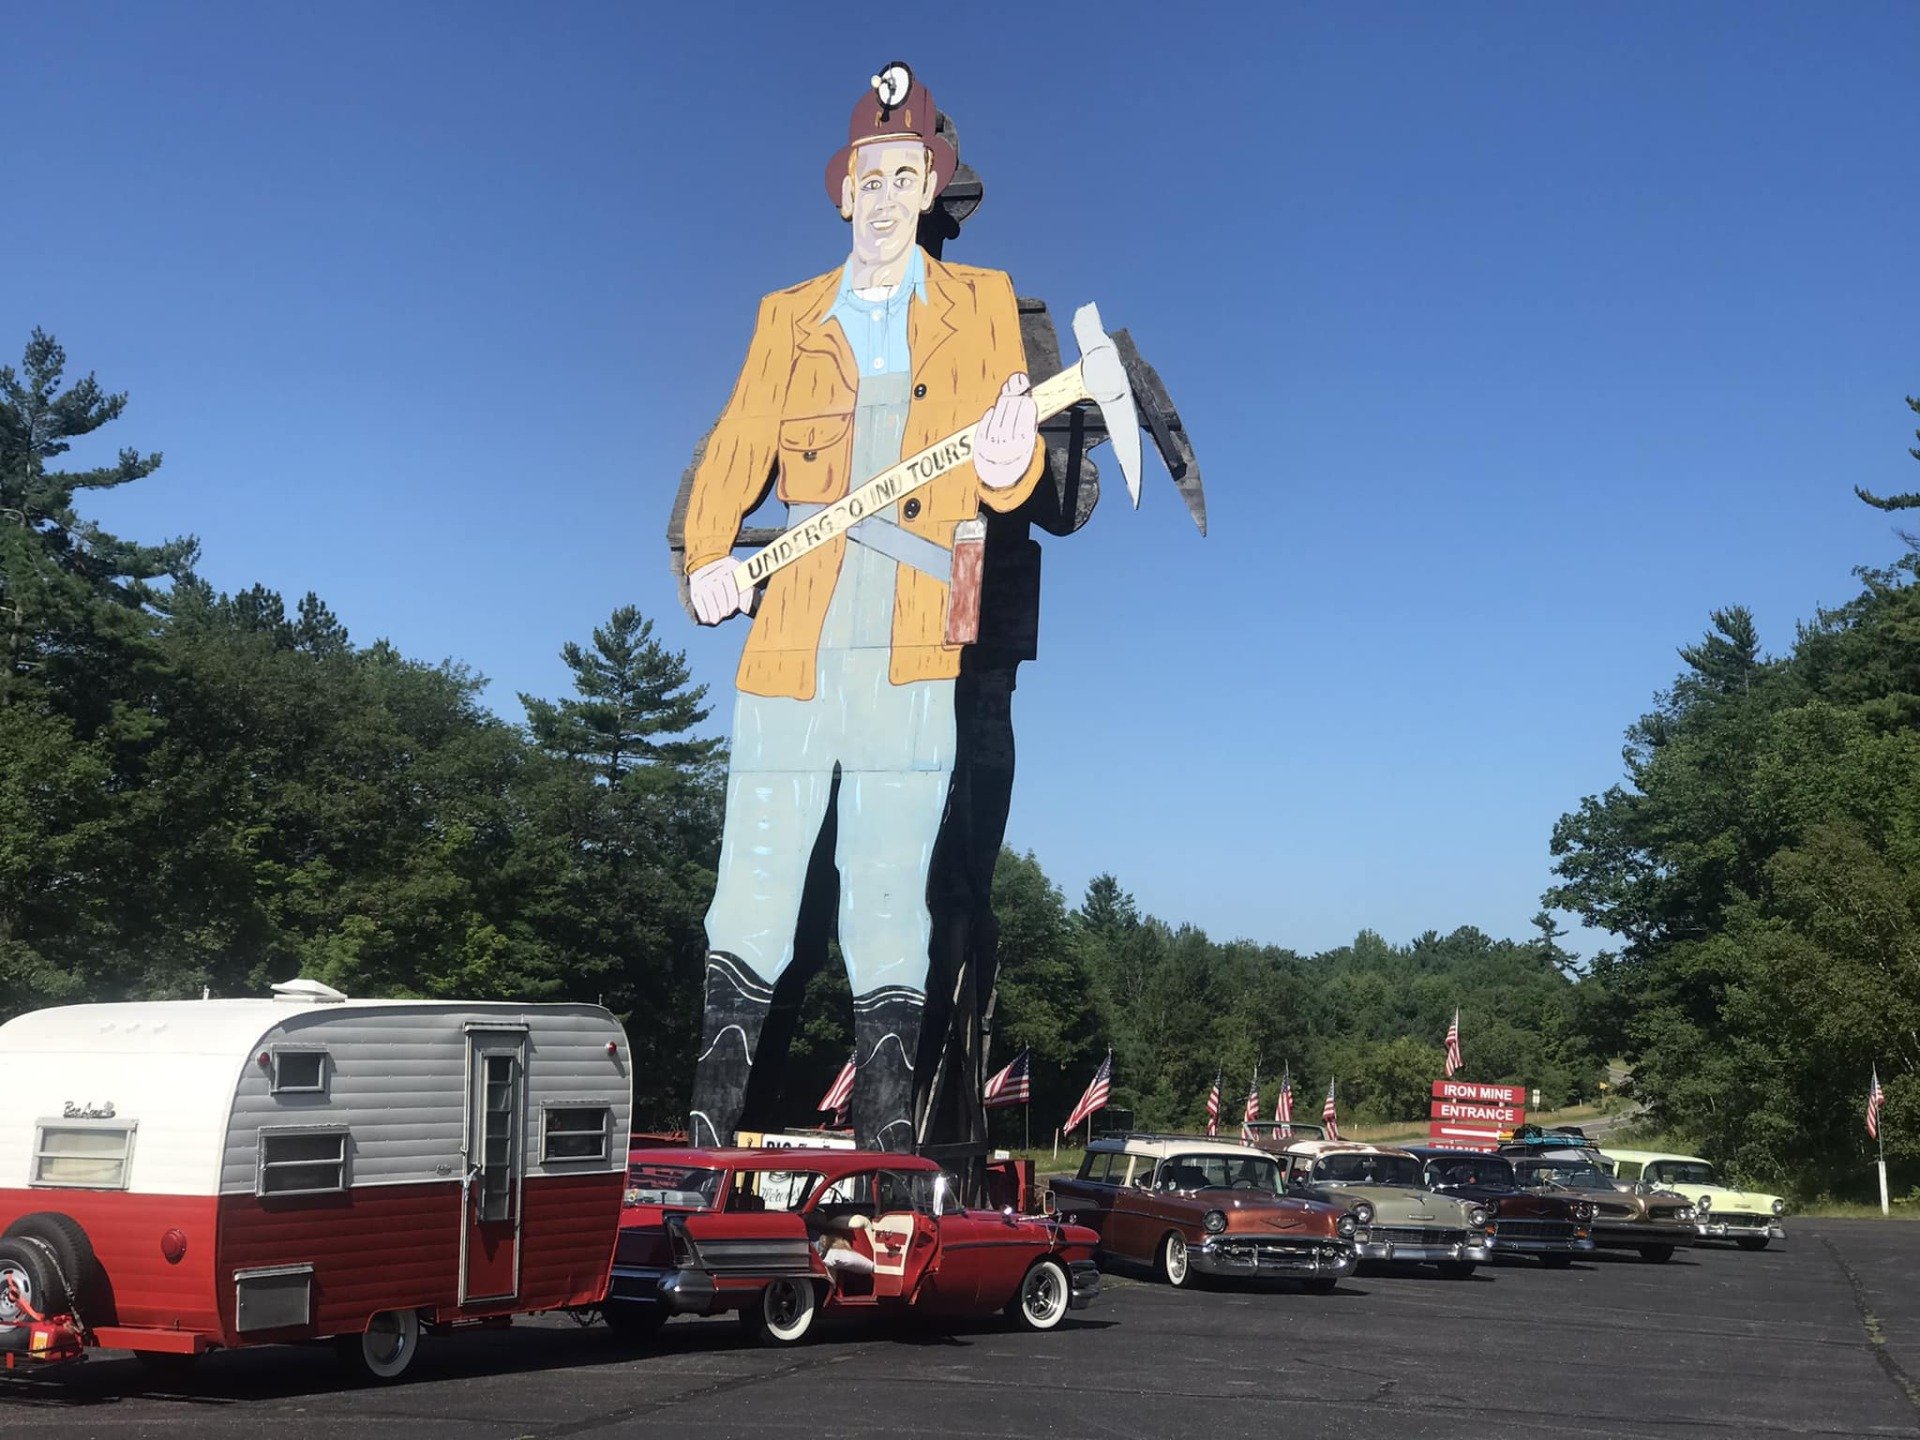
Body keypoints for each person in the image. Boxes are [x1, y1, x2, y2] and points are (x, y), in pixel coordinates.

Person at [682, 64, 1045, 1151]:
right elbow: (738, 445)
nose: (888, 198)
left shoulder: (985, 305)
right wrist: (708, 553)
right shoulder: (785, 317)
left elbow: (1010, 483)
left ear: (935, 190)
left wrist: (1014, 450)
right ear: (846, 194)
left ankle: (889, 1151)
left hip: (921, 630)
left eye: (907, 177)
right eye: (870, 179)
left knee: (889, 886)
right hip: (795, 621)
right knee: (755, 867)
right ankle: (706, 1139)